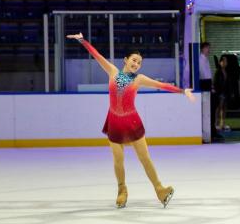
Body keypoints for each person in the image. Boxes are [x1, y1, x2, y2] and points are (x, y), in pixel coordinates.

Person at [67, 33, 195, 209]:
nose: (136, 64)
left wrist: (182, 91)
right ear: (125, 60)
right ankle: (122, 190)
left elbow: (161, 86)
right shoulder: (112, 72)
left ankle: (160, 189)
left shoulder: (139, 79)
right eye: (134, 60)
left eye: (139, 62)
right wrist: (82, 40)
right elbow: (97, 56)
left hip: (132, 122)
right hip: (114, 123)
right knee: (118, 159)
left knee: (145, 158)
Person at [196, 42, 218, 139]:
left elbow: (208, 74)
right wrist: (209, 86)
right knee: (210, 110)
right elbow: (204, 75)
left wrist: (212, 86)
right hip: (205, 85)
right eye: (207, 48)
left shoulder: (205, 59)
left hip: (208, 84)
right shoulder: (201, 60)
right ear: (202, 49)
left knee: (212, 109)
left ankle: (213, 130)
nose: (209, 50)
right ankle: (211, 131)